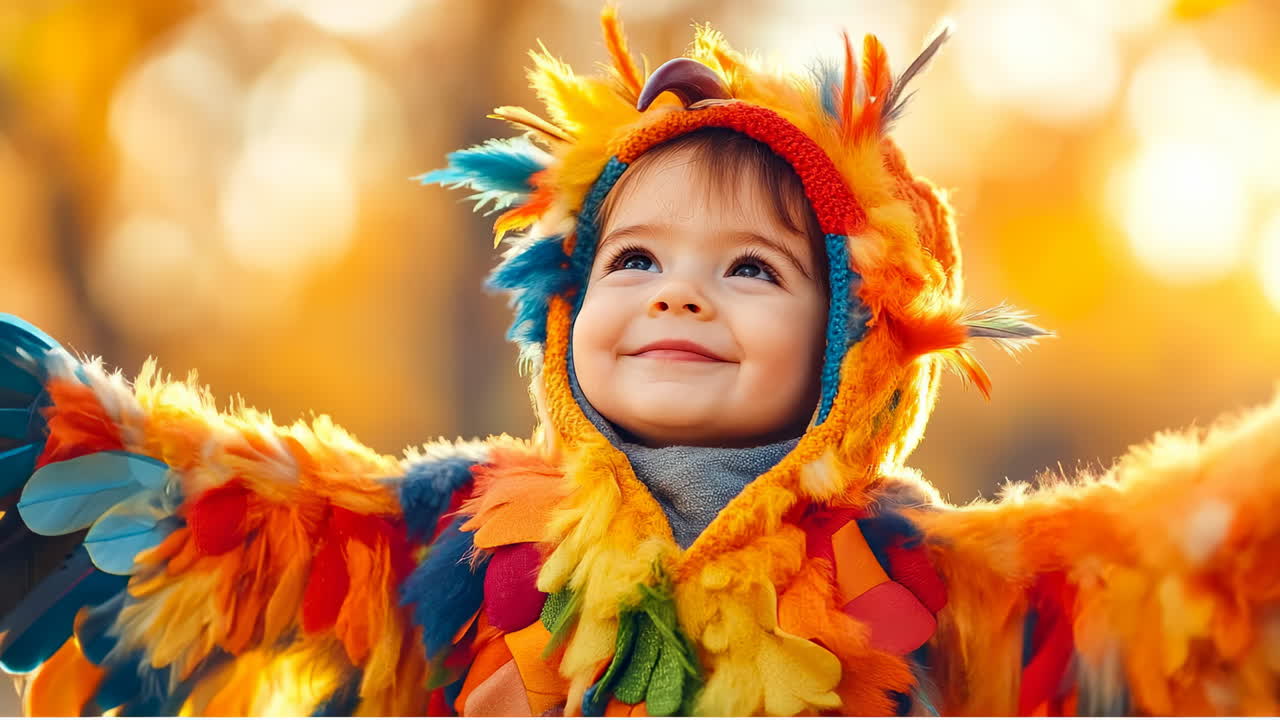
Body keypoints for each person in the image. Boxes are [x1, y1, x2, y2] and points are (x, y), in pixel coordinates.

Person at [2, 6, 1278, 716]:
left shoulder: (932, 590)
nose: (679, 289)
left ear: (857, 346)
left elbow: (1189, 569)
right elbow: (185, 508)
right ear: (561, 318)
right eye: (633, 260)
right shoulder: (451, 541)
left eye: (750, 269)